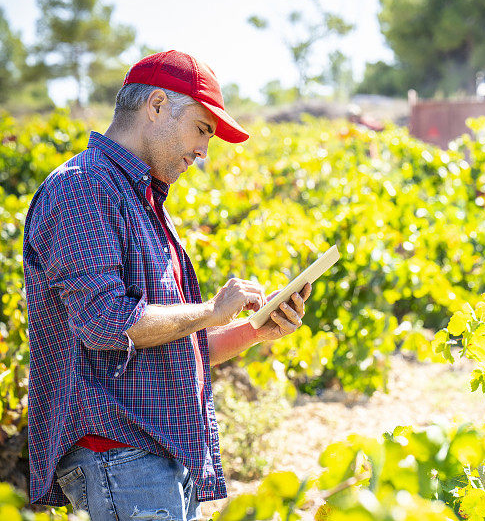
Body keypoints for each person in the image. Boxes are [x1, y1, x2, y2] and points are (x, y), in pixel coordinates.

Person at [23, 50, 312, 520]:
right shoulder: (83, 188)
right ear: (156, 105)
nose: (203, 150)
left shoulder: (142, 200)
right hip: (119, 452)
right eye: (202, 129)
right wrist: (211, 310)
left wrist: (254, 330)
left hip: (156, 453)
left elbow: (171, 347)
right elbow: (106, 324)